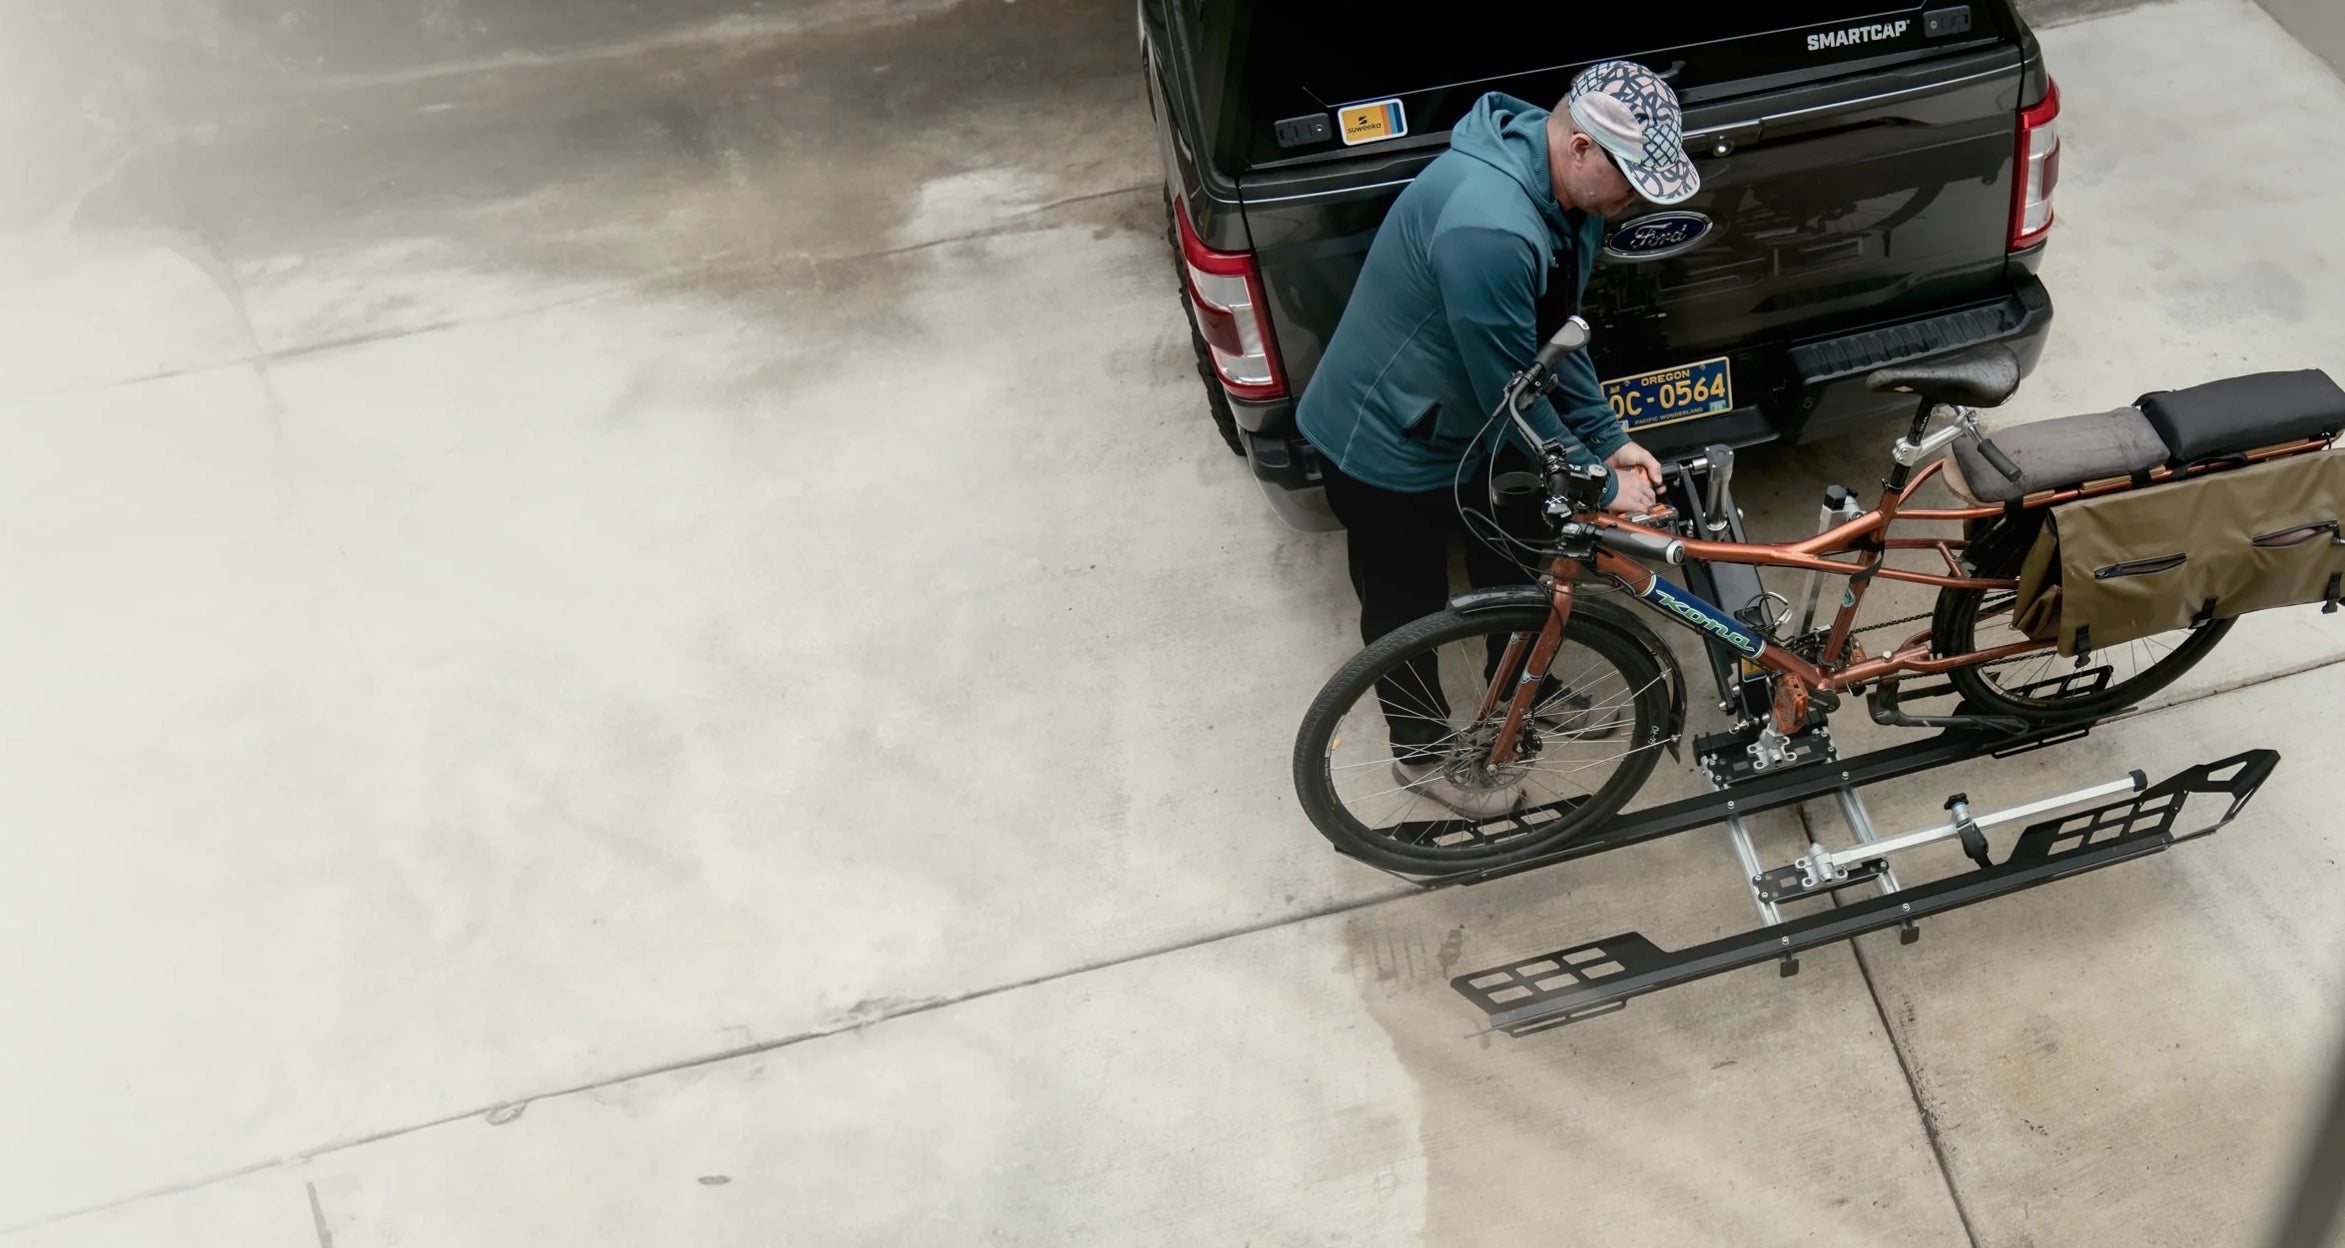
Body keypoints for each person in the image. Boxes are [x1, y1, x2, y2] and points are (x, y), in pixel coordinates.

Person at [1294, 60, 1702, 819]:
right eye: (1631, 178)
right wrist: (1603, 483)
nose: (1636, 198)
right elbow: (1511, 387)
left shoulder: (1568, 201)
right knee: (1406, 607)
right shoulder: (1490, 225)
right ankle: (1420, 754)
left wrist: (1607, 440)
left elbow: (1553, 338)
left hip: (1476, 430)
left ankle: (1523, 689)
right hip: (1387, 440)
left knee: (1518, 558)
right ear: (1580, 146)